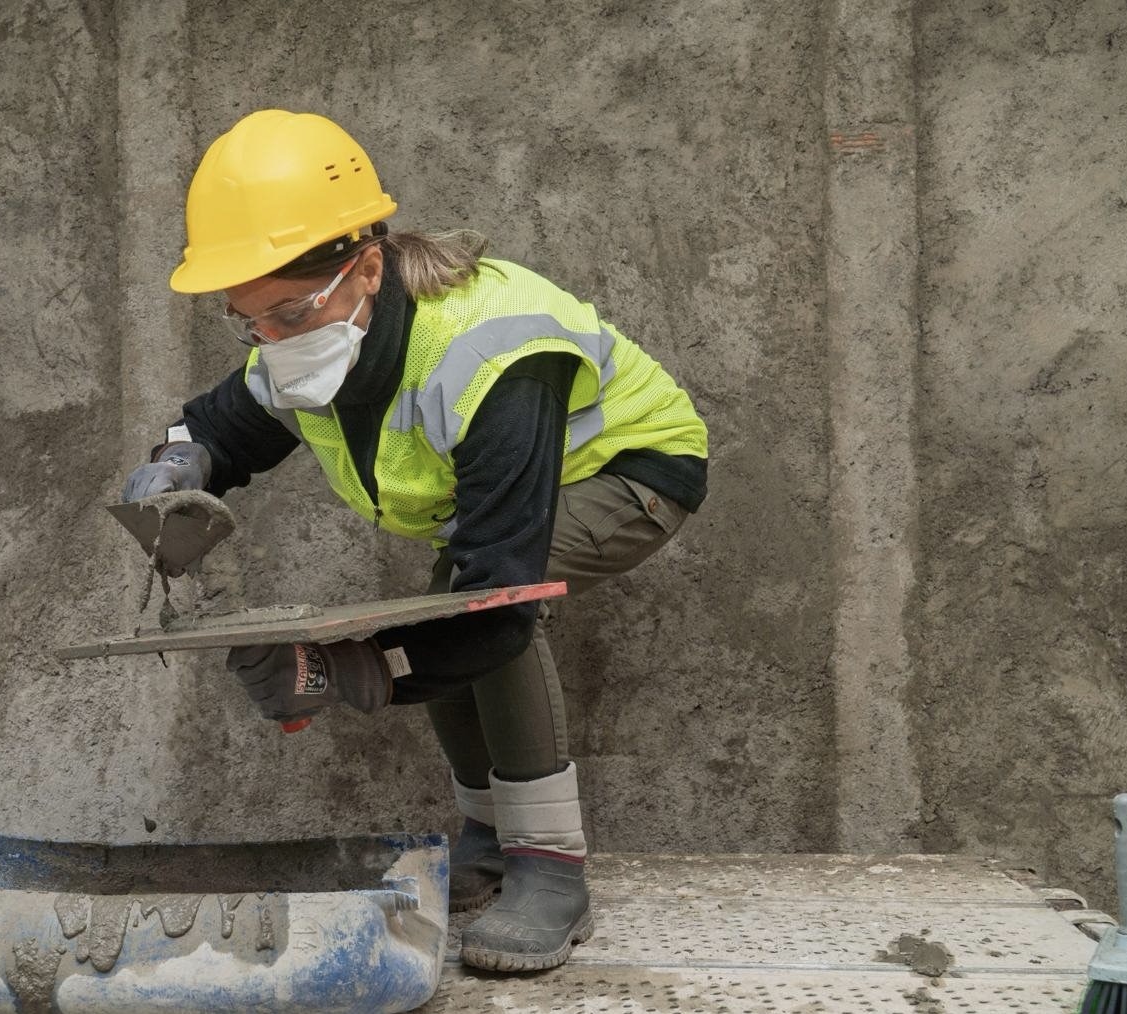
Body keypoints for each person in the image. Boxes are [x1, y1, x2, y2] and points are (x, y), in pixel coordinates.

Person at [122, 109, 708, 972]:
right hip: (517, 495)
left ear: (366, 268)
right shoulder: (310, 341)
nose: (272, 340)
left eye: (289, 313)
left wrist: (347, 672)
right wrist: (176, 466)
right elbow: (216, 427)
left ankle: (549, 869)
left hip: (631, 475)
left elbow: (500, 606)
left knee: (474, 604)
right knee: (445, 601)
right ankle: (489, 840)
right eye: (250, 320)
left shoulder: (492, 353)